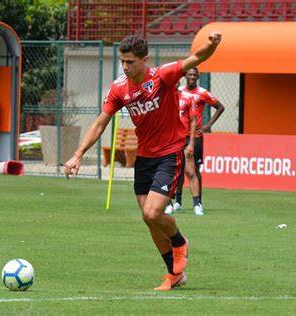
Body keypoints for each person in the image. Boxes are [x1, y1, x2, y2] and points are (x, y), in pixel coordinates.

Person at [64, 32, 222, 290]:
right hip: (144, 158)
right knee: (149, 219)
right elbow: (100, 123)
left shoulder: (163, 75)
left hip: (169, 154)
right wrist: (78, 153)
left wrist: (212, 44)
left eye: (130, 62)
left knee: (152, 212)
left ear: (144, 59)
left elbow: (196, 57)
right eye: (122, 62)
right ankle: (175, 274)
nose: (125, 67)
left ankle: (180, 242)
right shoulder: (119, 88)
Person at [173, 68, 225, 215]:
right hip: (179, 136)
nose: (192, 77)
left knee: (194, 169)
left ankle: (198, 202)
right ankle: (178, 201)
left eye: (194, 75)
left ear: (198, 77)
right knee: (179, 169)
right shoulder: (179, 91)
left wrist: (208, 125)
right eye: (189, 74)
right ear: (185, 76)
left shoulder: (202, 92)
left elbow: (220, 107)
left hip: (195, 137)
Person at [164, 86, 201, 215]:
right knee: (169, 173)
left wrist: (191, 143)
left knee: (191, 172)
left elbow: (193, 120)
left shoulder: (188, 98)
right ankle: (168, 204)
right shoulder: (162, 98)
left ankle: (197, 205)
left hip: (184, 139)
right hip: (169, 140)